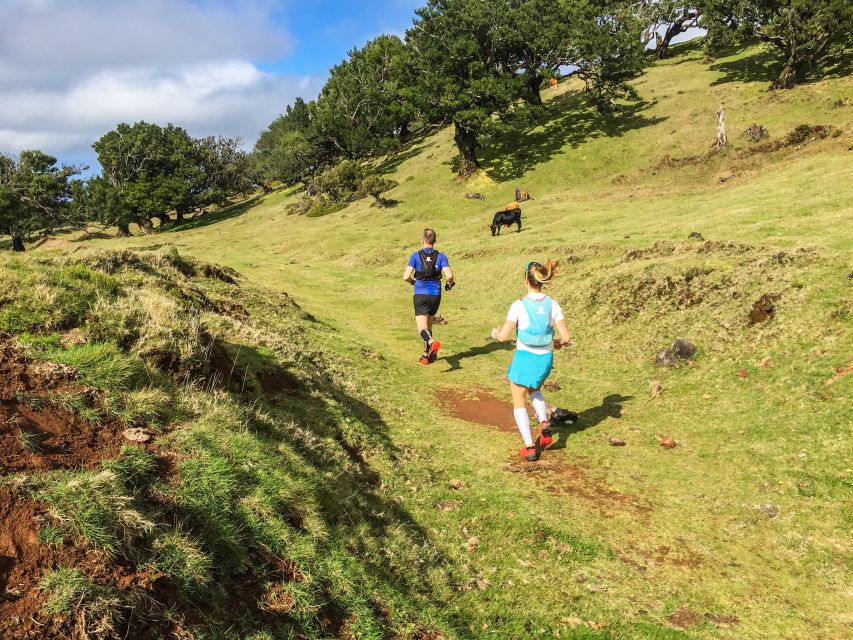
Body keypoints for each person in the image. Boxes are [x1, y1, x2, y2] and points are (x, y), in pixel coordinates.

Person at [490, 261, 572, 462]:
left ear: (526, 280)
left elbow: (503, 336)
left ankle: (529, 447)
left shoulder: (518, 305)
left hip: (525, 356)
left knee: (519, 399)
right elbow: (566, 337)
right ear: (541, 280)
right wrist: (558, 343)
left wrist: (494, 333)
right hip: (545, 359)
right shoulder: (553, 304)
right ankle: (543, 420)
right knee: (534, 389)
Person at [403, 228, 455, 365]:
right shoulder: (441, 256)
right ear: (434, 241)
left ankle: (431, 343)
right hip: (435, 295)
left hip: (420, 294)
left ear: (422, 240)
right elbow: (449, 276)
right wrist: (450, 284)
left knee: (422, 328)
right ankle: (426, 356)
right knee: (429, 324)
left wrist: (413, 282)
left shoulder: (415, 256)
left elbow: (405, 276)